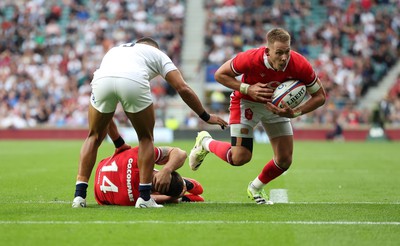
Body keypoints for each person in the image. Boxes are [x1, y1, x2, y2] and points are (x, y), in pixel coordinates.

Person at [72, 37, 227, 209]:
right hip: (133, 80)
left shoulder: (116, 49)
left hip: (102, 80)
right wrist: (205, 116)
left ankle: (79, 197)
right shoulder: (157, 54)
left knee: (93, 136)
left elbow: (108, 110)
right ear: (153, 47)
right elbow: (182, 88)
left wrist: (119, 144)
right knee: (145, 138)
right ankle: (145, 198)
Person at [189, 28, 326, 204]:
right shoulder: (250, 58)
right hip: (247, 103)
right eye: (279, 53)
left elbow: (320, 96)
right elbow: (220, 75)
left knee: (284, 160)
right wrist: (248, 88)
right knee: (240, 158)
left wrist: (295, 112)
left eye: (287, 52)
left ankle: (255, 188)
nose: (284, 57)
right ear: (268, 51)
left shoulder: (299, 64)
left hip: (277, 107)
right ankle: (205, 142)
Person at [94, 143, 204, 206]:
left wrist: (165, 170)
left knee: (145, 184)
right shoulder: (138, 198)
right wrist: (172, 197)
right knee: (147, 193)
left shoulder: (141, 155)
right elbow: (181, 153)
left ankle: (181, 188)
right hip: (99, 192)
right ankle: (180, 192)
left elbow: (181, 154)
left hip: (103, 167)